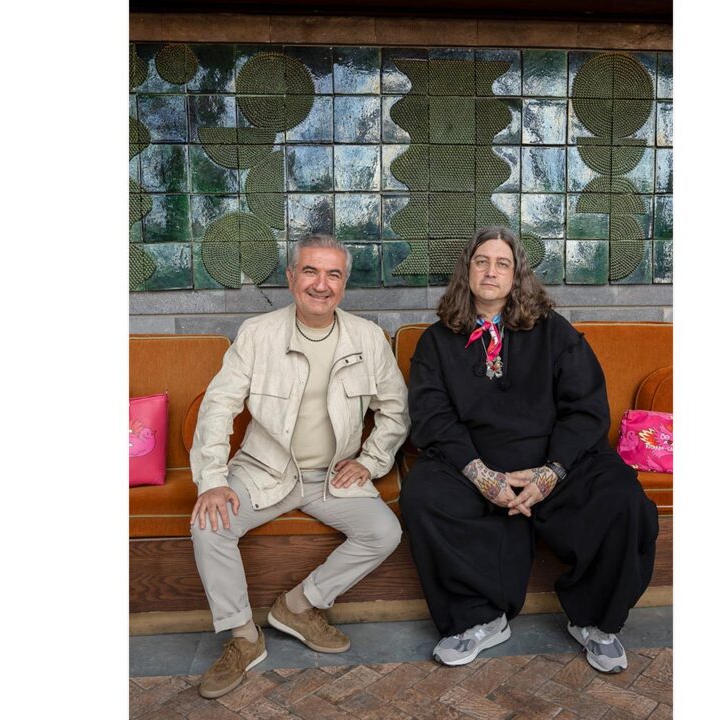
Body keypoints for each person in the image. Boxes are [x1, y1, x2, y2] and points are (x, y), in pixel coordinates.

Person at [399, 226, 659, 674]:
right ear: (466, 271)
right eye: (482, 261)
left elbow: (586, 410)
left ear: (517, 274)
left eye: (502, 263)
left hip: (554, 462)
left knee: (622, 497)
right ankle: (479, 618)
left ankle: (595, 621)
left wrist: (551, 472)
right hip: (473, 463)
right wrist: (483, 476)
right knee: (424, 494)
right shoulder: (436, 341)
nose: (491, 271)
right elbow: (433, 417)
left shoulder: (554, 331)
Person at [188, 233, 409, 699]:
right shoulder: (258, 333)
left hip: (332, 476)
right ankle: (243, 637)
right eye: (310, 271)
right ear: (291, 278)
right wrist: (212, 480)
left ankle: (299, 605)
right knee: (209, 524)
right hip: (265, 471)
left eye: (333, 274)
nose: (321, 284)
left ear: (344, 284)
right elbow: (218, 407)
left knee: (384, 531)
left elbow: (395, 410)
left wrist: (370, 461)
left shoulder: (368, 338)